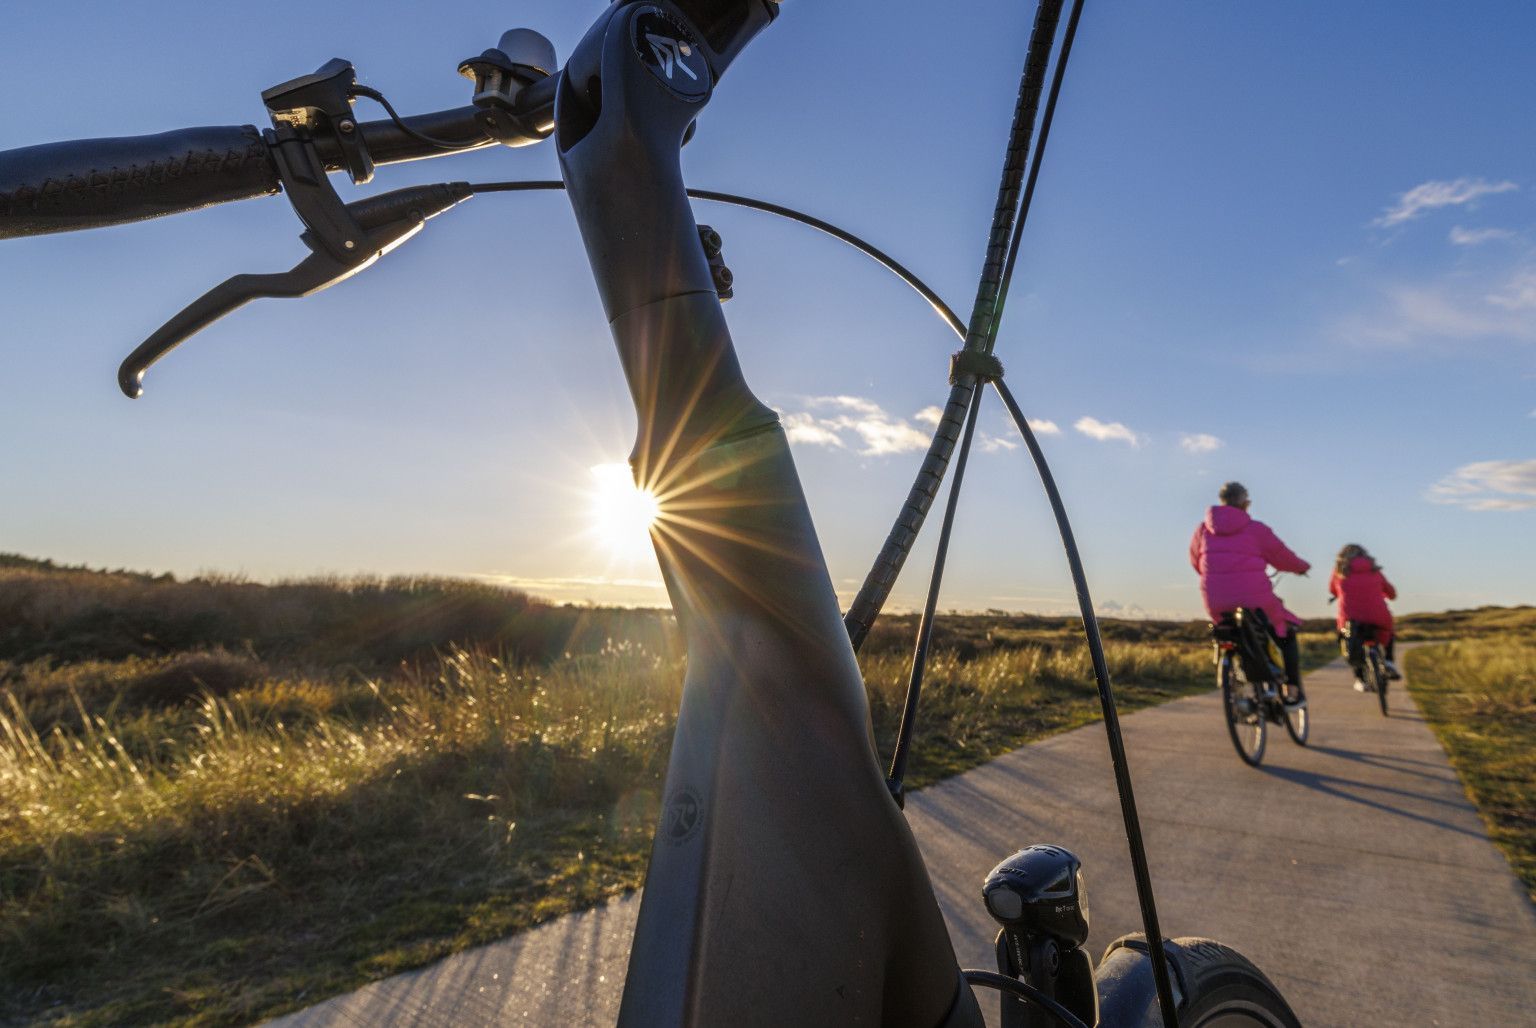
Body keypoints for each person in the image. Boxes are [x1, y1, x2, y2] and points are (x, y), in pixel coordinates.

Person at [1190, 481, 1311, 699]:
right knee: (1285, 631)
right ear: (1245, 503)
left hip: (1215, 600)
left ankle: (1240, 672)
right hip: (1256, 600)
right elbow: (1282, 557)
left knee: (1233, 631)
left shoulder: (1202, 530)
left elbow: (1195, 561)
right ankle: (1292, 689)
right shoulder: (1256, 530)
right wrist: (1302, 568)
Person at [1329, 543, 1399, 690]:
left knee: (1347, 640)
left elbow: (1332, 590)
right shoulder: (1375, 571)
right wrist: (1385, 594)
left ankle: (1360, 679)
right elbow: (1391, 593)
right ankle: (1389, 661)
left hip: (1350, 621)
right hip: (1378, 616)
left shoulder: (1339, 572)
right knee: (1389, 629)